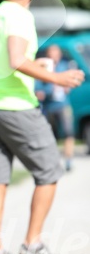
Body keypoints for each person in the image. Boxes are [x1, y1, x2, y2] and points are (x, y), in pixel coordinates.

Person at [0, 0, 84, 254]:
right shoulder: (20, 16)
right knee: (50, 171)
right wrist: (58, 79)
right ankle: (32, 244)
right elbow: (14, 60)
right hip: (16, 107)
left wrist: (34, 64)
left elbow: (3, 59)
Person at [35, 44, 75, 172]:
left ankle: (68, 159)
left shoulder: (65, 65)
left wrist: (68, 87)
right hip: (49, 106)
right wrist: (46, 90)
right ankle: (53, 160)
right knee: (50, 135)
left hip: (63, 105)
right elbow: (38, 87)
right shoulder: (44, 67)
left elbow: (73, 81)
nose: (54, 56)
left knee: (69, 133)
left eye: (56, 53)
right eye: (51, 53)